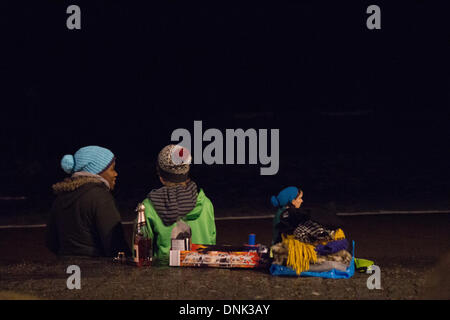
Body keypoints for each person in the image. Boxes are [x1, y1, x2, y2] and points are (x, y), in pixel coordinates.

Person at [45, 146, 131, 257]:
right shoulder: (100, 196)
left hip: (67, 269)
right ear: (98, 170)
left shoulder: (60, 197)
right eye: (112, 169)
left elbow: (51, 241)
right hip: (95, 269)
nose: (115, 174)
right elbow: (114, 243)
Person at [138, 144, 216, 264]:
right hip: (203, 276)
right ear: (187, 171)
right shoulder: (205, 203)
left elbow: (143, 254)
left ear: (161, 177)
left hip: (164, 277)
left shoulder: (148, 207)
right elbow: (212, 242)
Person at [271, 186, 344, 244]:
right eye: (300, 198)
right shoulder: (286, 216)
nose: (302, 201)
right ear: (293, 201)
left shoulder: (283, 212)